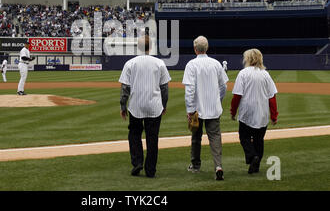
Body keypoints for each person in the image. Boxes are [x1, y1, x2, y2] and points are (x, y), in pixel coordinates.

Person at [118, 35, 171, 178]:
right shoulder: (159, 63)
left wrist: (123, 106)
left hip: (136, 105)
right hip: (154, 106)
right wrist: (164, 104)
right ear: (151, 47)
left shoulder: (130, 63)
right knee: (152, 138)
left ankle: (137, 162)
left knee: (134, 134)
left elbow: (125, 89)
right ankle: (150, 169)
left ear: (138, 47)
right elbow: (164, 88)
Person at [182, 36, 228, 181]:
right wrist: (218, 100)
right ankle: (218, 166)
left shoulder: (191, 64)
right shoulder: (215, 64)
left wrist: (189, 109)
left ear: (195, 49)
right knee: (215, 137)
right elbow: (224, 86)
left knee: (196, 137)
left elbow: (189, 90)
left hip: (197, 108)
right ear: (206, 48)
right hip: (213, 108)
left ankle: (195, 165)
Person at [230, 48, 278, 174]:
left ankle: (252, 157)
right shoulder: (265, 74)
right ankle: (255, 164)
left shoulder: (243, 73)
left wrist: (233, 111)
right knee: (259, 139)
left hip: (247, 112)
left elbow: (237, 96)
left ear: (248, 59)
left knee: (244, 137)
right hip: (262, 113)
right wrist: (274, 115)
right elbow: (272, 97)